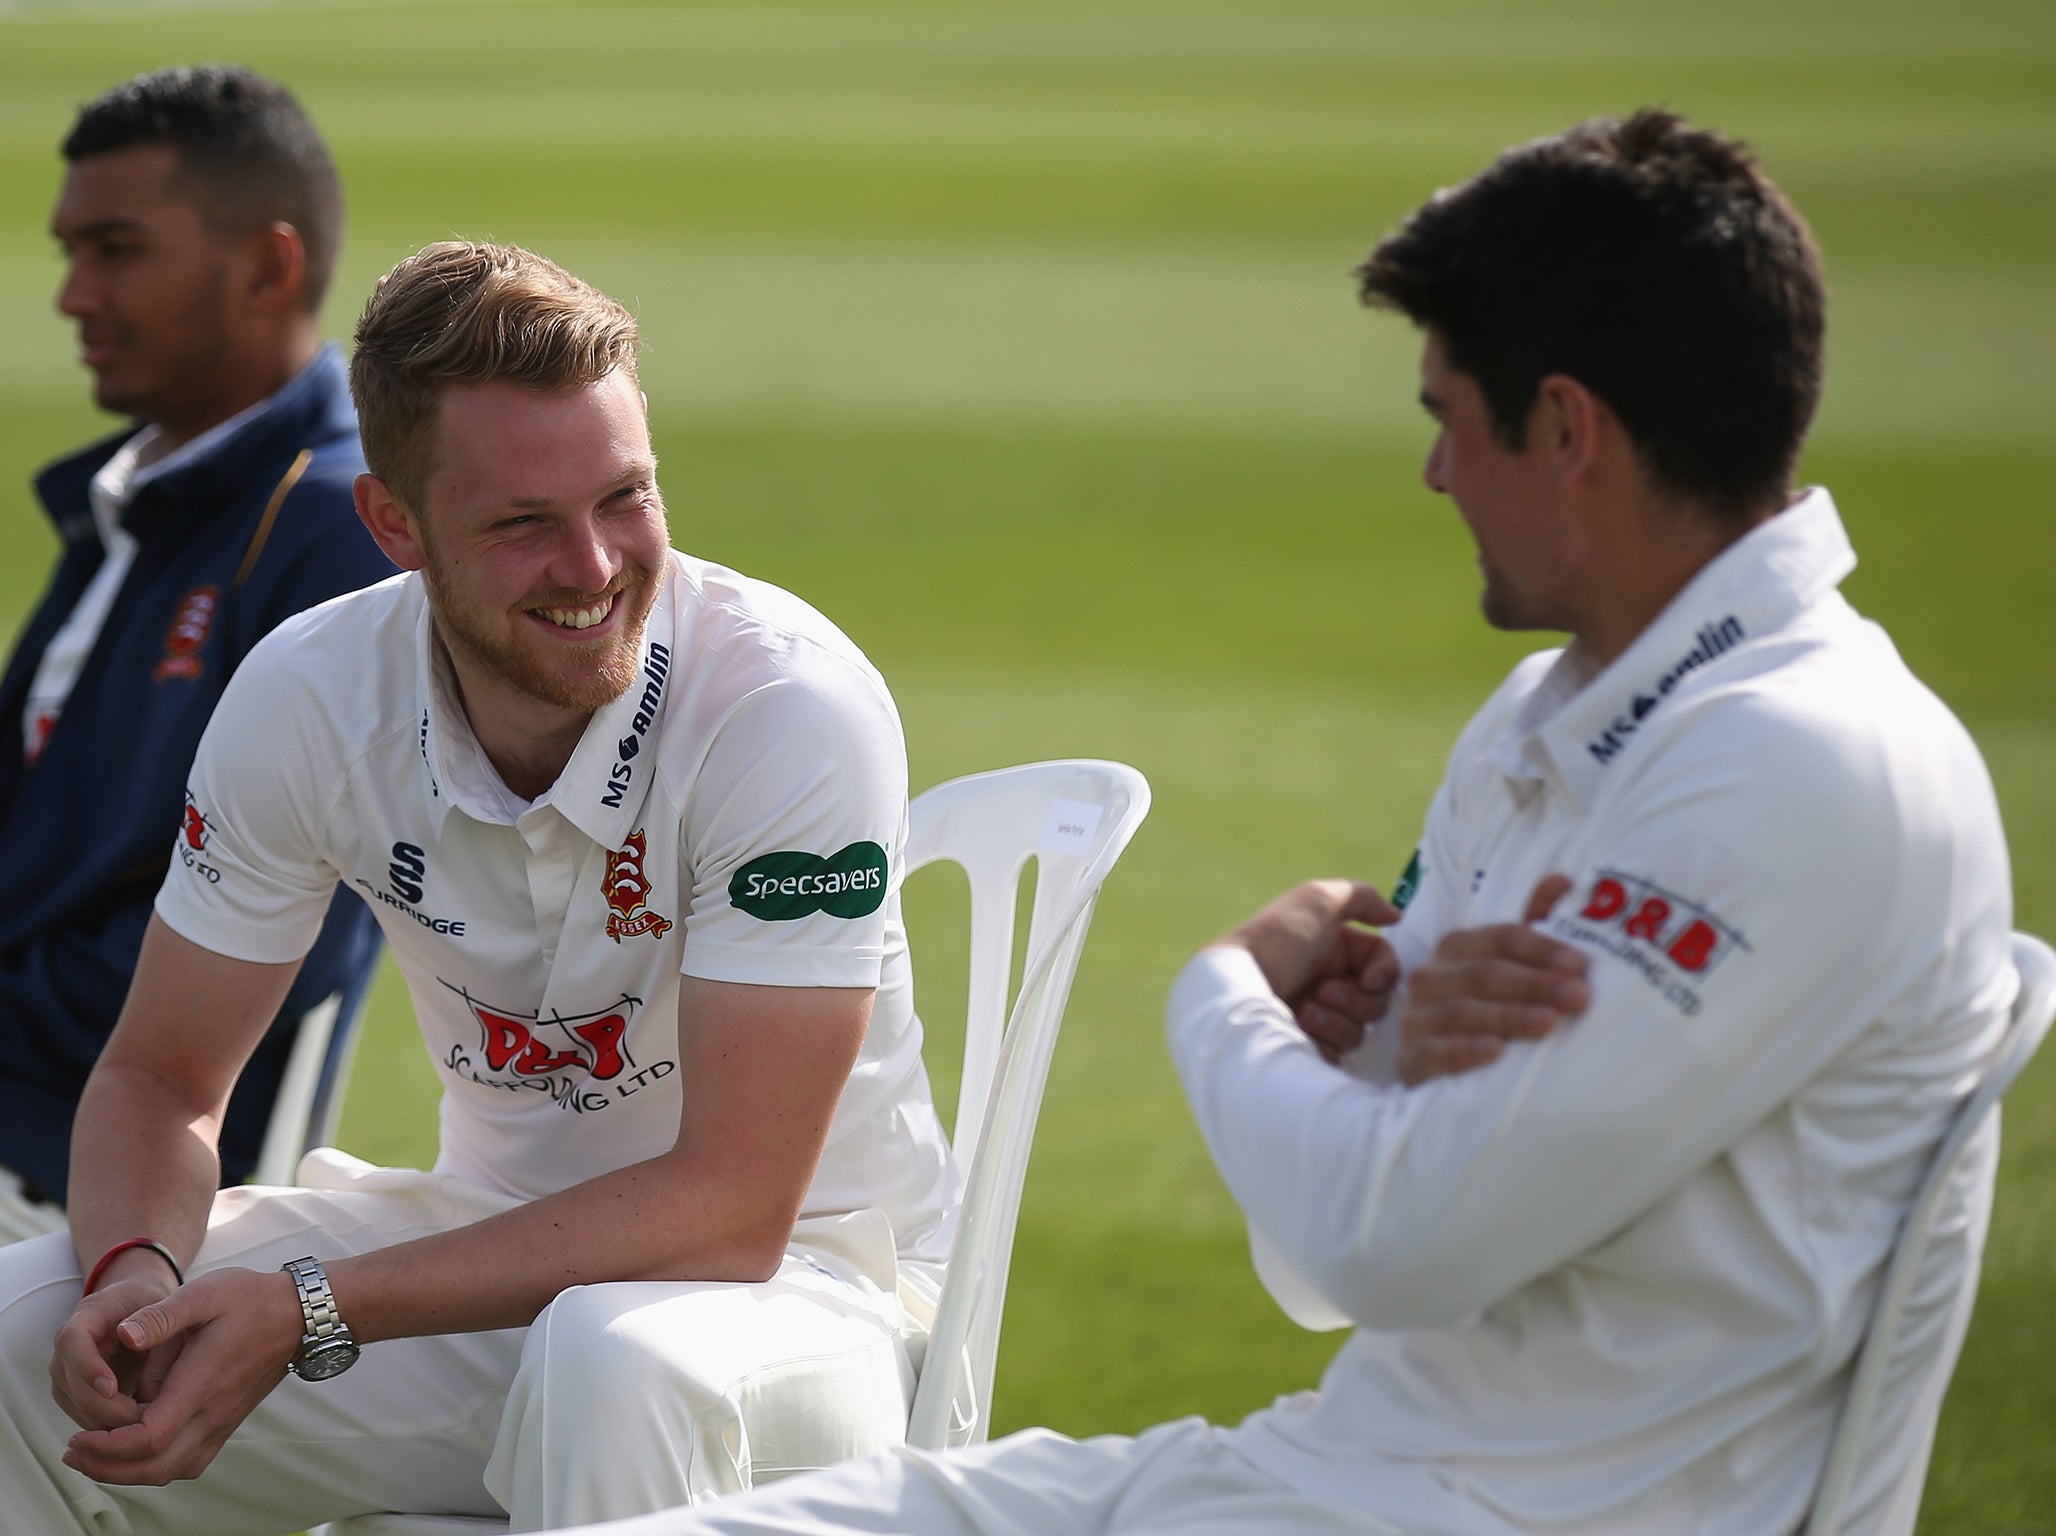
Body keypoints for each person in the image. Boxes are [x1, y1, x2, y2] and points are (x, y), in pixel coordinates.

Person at [518, 109, 2016, 1536]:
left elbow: (1386, 1241)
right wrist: (1368, 1090)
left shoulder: (1809, 766)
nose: (1435, 473)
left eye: (1449, 421)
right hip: (1346, 1477)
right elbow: (1315, 1268)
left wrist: (1223, 997)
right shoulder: (1542, 726)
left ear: (1565, 429)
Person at [0, 240, 958, 1534]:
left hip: (820, 1296)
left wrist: (312, 1304)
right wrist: (133, 1270)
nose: (597, 566)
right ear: (393, 524)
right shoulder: (310, 690)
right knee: (25, 1335)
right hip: (489, 1269)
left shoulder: (788, 705)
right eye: (524, 525)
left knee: (615, 1366)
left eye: (626, 497)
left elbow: (734, 1205)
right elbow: (161, 1080)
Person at [0, 64, 392, 1240]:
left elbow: (288, 944)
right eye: (69, 249)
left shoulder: (341, 527)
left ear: (268, 265)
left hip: (89, 1182)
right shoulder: (143, 501)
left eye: (116, 249)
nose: (73, 294)